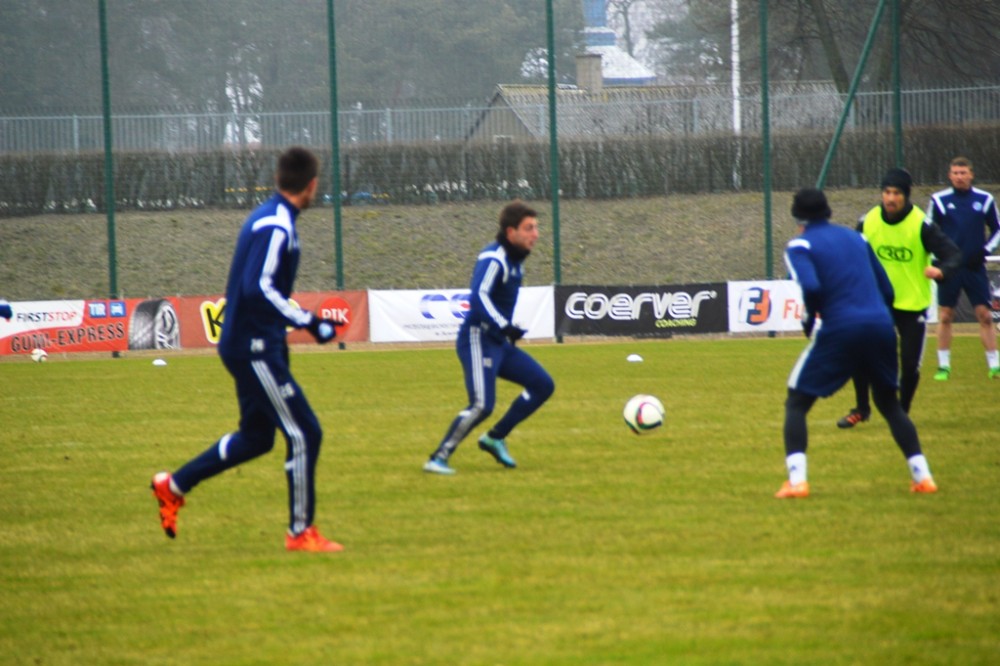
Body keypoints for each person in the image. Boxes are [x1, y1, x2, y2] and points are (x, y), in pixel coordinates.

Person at [151, 146, 345, 552]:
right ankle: (300, 533)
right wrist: (309, 321)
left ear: (278, 179)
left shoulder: (269, 217)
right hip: (254, 347)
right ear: (312, 185)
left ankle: (174, 485)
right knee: (305, 432)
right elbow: (258, 288)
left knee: (257, 438)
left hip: (253, 342)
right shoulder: (276, 225)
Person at [777, 188, 937, 498]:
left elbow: (811, 286)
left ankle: (797, 482)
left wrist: (809, 318)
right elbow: (887, 290)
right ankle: (923, 476)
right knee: (889, 404)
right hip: (881, 325)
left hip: (841, 326)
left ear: (797, 216)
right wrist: (877, 318)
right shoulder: (858, 238)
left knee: (796, 402)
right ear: (828, 211)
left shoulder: (800, 245)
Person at [423, 201, 555, 475]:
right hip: (477, 339)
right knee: (482, 405)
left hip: (498, 343)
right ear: (511, 232)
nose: (536, 234)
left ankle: (495, 437)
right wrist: (505, 326)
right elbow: (478, 296)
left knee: (542, 385)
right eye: (529, 228)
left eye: (536, 228)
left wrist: (505, 331)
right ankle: (438, 457)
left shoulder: (516, 261)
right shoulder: (494, 258)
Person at [837, 168, 961, 428]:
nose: (891, 198)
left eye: (896, 193)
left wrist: (941, 271)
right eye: (887, 192)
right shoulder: (869, 221)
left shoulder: (921, 225)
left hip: (911, 303)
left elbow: (953, 255)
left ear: (906, 195)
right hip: (876, 302)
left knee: (909, 364)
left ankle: (900, 413)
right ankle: (861, 409)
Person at [926, 156, 1000, 380]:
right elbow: (929, 231)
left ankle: (994, 365)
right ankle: (943, 366)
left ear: (971, 174)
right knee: (946, 315)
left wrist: (985, 251)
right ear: (950, 176)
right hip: (949, 268)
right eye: (956, 173)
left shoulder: (984, 199)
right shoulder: (939, 200)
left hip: (974, 266)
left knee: (984, 315)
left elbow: (997, 229)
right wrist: (938, 258)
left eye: (963, 173)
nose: (959, 177)